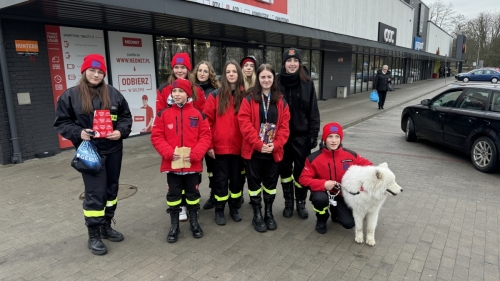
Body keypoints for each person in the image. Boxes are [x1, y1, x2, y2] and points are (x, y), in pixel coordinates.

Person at [54, 54, 132, 255]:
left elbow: (125, 117)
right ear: (84, 71)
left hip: (114, 150)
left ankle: (106, 226)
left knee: (111, 191)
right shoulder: (70, 96)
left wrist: (121, 131)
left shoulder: (114, 94)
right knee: (95, 193)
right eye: (92, 70)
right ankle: (94, 235)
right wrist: (78, 133)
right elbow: (62, 123)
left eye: (100, 72)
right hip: (90, 152)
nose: (96, 75)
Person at [238, 64, 290, 232]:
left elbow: (284, 127)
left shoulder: (281, 100)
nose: (266, 80)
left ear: (273, 79)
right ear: (258, 79)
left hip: (273, 152)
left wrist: (275, 145)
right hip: (254, 152)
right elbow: (244, 125)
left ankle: (268, 212)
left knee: (270, 184)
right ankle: (257, 214)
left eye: (269, 77)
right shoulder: (249, 98)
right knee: (254, 186)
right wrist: (259, 145)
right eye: (263, 77)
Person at [156, 52, 206, 222]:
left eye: (182, 67)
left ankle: (191, 206)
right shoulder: (164, 89)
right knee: (175, 182)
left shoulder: (197, 90)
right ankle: (180, 207)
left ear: (188, 69)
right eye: (176, 67)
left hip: (193, 147)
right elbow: (161, 118)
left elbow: (201, 118)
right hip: (173, 145)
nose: (179, 70)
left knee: (193, 179)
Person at [299, 122, 372, 234]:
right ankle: (322, 219)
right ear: (324, 139)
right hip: (323, 193)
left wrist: (363, 184)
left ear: (341, 138)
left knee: (349, 224)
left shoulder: (350, 155)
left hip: (341, 194)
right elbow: (303, 179)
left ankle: (335, 212)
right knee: (319, 199)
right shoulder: (313, 158)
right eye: (330, 136)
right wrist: (323, 184)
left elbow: (369, 167)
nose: (334, 140)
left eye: (337, 136)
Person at [277, 47, 320, 219]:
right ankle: (288, 202)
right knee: (285, 171)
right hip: (282, 137)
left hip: (301, 137)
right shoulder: (276, 82)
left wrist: (313, 135)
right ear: (284, 64)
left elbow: (313, 112)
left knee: (301, 172)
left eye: (295, 61)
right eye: (289, 61)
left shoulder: (308, 83)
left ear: (300, 64)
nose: (292, 64)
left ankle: (301, 203)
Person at [203, 60, 245, 225]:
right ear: (224, 75)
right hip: (219, 149)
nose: (231, 74)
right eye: (228, 72)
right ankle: (219, 209)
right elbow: (207, 123)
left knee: (236, 181)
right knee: (220, 181)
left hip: (238, 148)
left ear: (238, 74)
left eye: (234, 71)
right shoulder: (215, 96)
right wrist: (209, 145)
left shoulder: (246, 96)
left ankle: (234, 208)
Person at [193, 61, 220, 210]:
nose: (202, 73)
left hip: (208, 136)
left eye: (205, 71)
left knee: (212, 169)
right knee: (195, 169)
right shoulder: (189, 90)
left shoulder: (215, 91)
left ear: (210, 74)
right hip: (192, 137)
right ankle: (193, 196)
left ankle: (214, 194)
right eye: (200, 70)